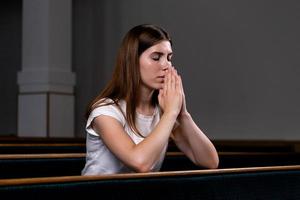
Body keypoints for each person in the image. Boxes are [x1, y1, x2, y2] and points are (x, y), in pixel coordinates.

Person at [81, 24, 219, 175]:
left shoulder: (163, 111)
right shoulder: (104, 111)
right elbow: (140, 163)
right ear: (132, 60)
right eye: (156, 57)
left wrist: (183, 114)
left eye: (169, 58)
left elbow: (210, 161)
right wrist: (171, 113)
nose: (166, 65)